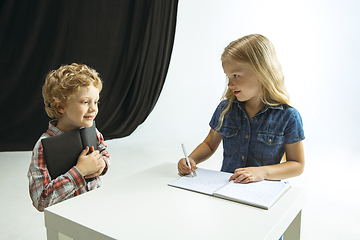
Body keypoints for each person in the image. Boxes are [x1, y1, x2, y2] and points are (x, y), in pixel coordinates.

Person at [178, 34, 305, 184]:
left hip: (263, 193)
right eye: (228, 77)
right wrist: (191, 159)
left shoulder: (288, 117)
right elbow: (209, 144)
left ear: (261, 72)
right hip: (227, 188)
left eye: (236, 75)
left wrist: (262, 172)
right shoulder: (225, 109)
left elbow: (297, 164)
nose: (230, 84)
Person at [27, 63, 110, 212]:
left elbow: (105, 154)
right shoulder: (43, 146)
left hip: (97, 209)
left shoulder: (93, 131)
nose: (93, 108)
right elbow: (41, 201)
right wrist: (79, 171)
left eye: (96, 102)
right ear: (61, 107)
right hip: (67, 218)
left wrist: (101, 164)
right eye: (85, 102)